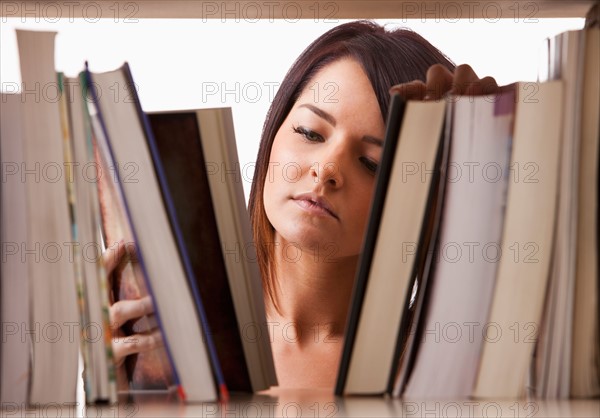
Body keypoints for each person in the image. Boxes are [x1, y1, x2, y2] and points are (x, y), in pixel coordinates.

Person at [104, 20, 496, 390]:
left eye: (371, 163)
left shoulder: (439, 362)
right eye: (310, 132)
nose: (326, 170)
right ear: (274, 130)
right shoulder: (168, 330)